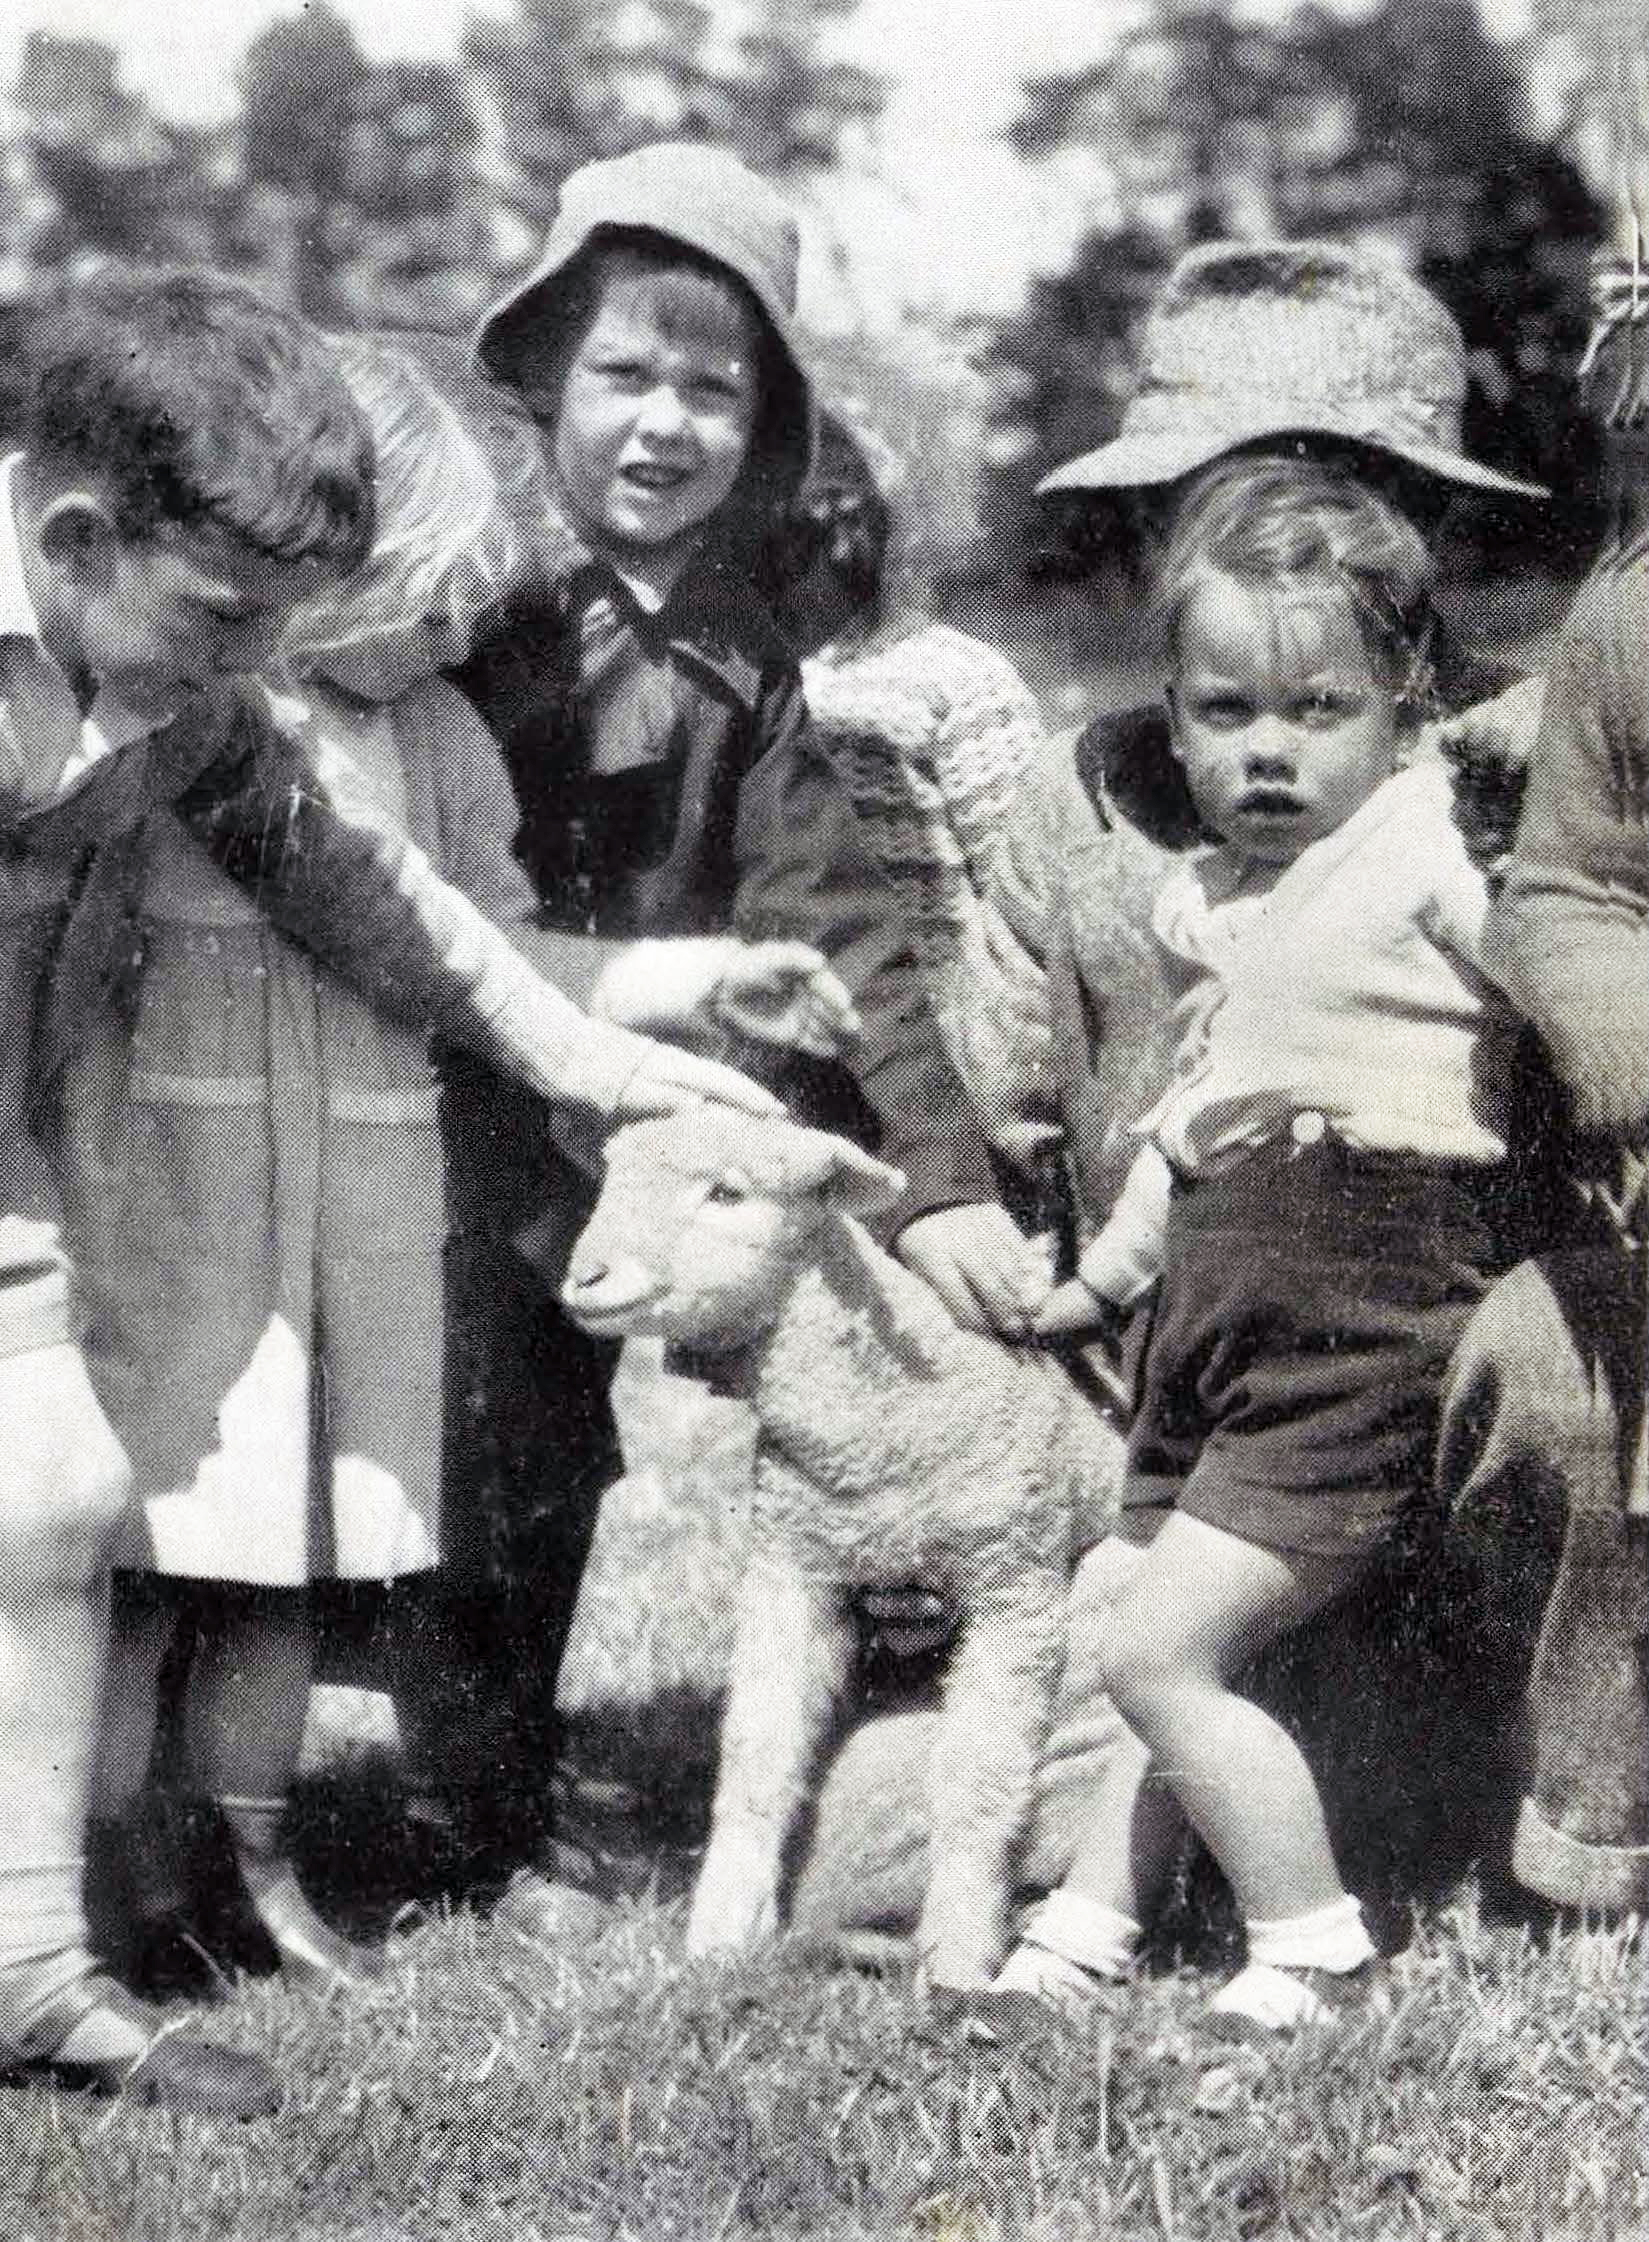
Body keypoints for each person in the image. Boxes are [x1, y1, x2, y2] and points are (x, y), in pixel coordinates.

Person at [0, 266, 774, 2114]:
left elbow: (363, 883)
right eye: (221, 618)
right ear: (76, 532)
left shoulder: (175, 669)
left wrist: (583, 1053)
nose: (251, 667)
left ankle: (31, 1965)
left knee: (60, 1487)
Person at [788, 242, 1552, 2002]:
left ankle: (1416, 1822)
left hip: (1425, 1374)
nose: (1286, 535)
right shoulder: (1099, 789)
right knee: (894, 1838)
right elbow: (990, 1106)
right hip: (1193, 1395)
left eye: (1343, 493)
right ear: (1161, 546)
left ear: (1417, 546)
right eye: (1235, 496)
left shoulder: (1490, 769)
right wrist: (947, 1243)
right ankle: (1164, 1880)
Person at [439, 141, 1035, 1904]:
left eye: (715, 388)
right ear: (548, 379)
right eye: (624, 372)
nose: (663, 423)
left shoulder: (746, 655)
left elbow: (837, 919)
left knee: (552, 1447)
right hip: (437, 1087)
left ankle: (499, 1792)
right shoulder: (467, 612)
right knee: (465, 1422)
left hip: (624, 1119)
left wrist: (936, 1187)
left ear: (762, 428)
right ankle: (376, 1798)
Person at [1436, 236, 1649, 1913]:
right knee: (1567, 1380)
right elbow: (1568, 883)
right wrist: (1621, 1033)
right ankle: (1590, 1836)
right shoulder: (1624, 617)